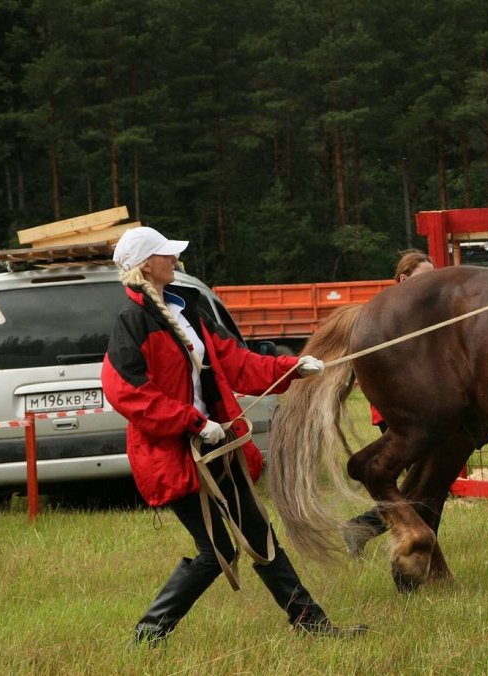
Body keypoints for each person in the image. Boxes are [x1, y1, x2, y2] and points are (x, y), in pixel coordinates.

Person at [101, 226, 365, 645]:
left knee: (261, 538)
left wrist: (293, 368)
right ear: (147, 266)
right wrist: (193, 422)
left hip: (218, 447)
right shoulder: (131, 323)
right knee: (217, 552)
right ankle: (147, 636)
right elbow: (127, 393)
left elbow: (238, 362)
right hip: (177, 455)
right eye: (166, 255)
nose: (175, 260)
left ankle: (312, 625)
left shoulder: (188, 310)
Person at [343, 250, 434, 556]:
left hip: (418, 409)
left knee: (422, 479)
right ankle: (365, 526)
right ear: (404, 279)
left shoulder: (419, 313)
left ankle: (377, 528)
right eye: (424, 278)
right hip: (400, 411)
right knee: (418, 481)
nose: (431, 285)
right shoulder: (392, 317)